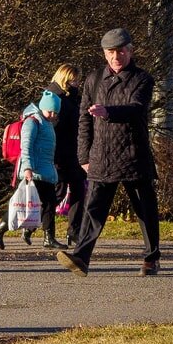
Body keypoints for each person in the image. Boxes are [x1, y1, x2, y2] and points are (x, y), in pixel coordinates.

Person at [54, 28, 161, 277]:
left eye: (121, 52)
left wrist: (109, 112)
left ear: (130, 51)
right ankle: (81, 258)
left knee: (144, 208)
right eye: (111, 52)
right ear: (104, 53)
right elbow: (83, 120)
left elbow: (136, 108)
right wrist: (83, 157)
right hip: (101, 156)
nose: (116, 57)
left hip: (133, 155)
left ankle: (151, 257)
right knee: (93, 210)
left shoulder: (142, 79)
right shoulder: (93, 79)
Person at [0, 91, 67, 250]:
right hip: (34, 171)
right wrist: (27, 168)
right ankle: (0, 228)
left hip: (45, 171)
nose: (52, 114)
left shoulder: (47, 123)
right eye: (49, 111)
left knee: (48, 204)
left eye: (55, 112)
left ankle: (47, 237)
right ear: (42, 107)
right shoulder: (33, 122)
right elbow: (26, 146)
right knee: (26, 204)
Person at [46, 64, 86, 247]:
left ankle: (74, 231)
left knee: (78, 189)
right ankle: (42, 226)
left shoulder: (71, 97)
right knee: (58, 192)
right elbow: (55, 127)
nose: (77, 83)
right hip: (60, 153)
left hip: (72, 152)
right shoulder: (55, 98)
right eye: (74, 79)